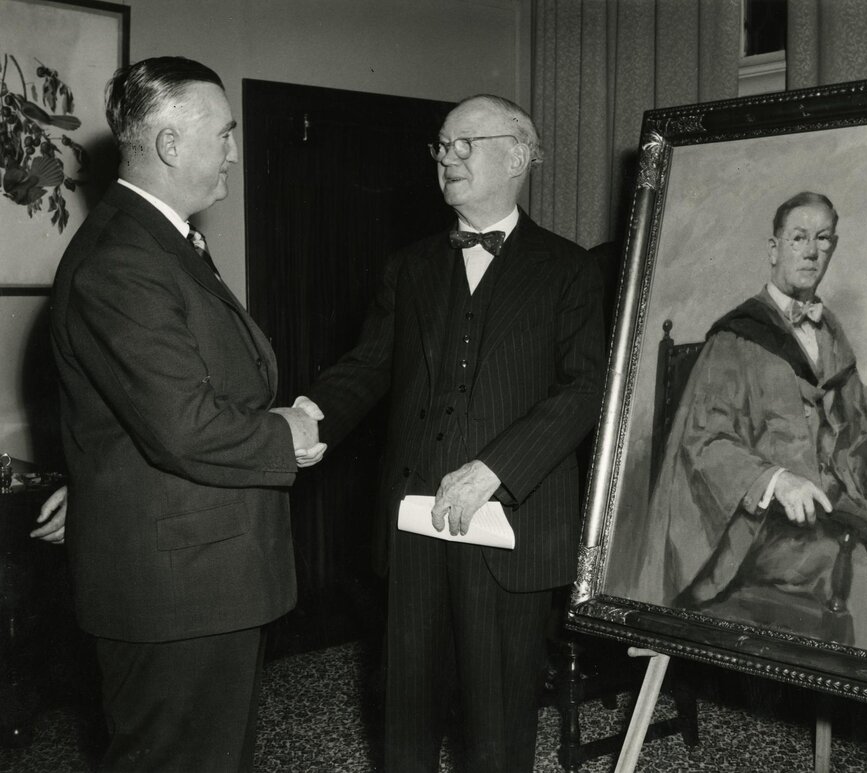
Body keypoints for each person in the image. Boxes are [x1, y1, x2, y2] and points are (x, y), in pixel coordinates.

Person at [307, 94, 605, 772]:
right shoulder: (408, 267)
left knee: (496, 720)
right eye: (442, 145)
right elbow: (367, 367)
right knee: (405, 714)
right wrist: (307, 413)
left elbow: (585, 388)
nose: (448, 157)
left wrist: (495, 469)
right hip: (414, 522)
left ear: (519, 156)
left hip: (509, 526)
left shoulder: (569, 270)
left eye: (466, 143)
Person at [47, 56, 326, 771]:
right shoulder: (125, 258)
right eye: (224, 134)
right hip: (176, 589)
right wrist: (285, 432)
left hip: (200, 574)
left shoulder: (157, 241)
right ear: (170, 145)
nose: (234, 150)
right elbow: (183, 426)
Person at [634, 191, 867, 672]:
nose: (811, 251)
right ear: (774, 248)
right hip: (768, 534)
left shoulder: (828, 333)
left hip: (841, 518)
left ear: (833, 247)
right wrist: (776, 480)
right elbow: (706, 442)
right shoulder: (735, 339)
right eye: (798, 238)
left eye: (822, 239)